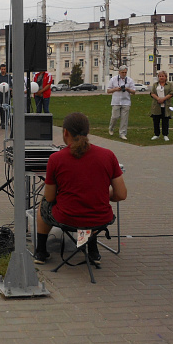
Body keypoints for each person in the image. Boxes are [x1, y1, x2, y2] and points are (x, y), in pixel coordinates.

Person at [34, 112, 127, 264]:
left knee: (43, 204)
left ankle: (41, 252)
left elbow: (50, 197)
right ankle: (92, 250)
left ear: (65, 132)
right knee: (91, 206)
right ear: (88, 131)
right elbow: (121, 194)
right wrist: (101, 193)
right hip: (101, 219)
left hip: (67, 218)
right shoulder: (108, 155)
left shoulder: (55, 159)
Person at [106, 65, 136, 140]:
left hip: (126, 101)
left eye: (125, 72)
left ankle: (122, 133)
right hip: (116, 101)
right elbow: (108, 91)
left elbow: (134, 92)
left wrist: (127, 89)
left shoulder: (129, 80)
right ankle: (111, 128)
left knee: (124, 119)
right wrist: (116, 89)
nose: (124, 74)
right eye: (122, 72)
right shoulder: (113, 79)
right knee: (115, 117)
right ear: (119, 72)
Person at [150, 70, 173, 141]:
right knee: (156, 120)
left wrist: (163, 99)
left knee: (165, 120)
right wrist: (158, 99)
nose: (161, 78)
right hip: (157, 105)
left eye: (162, 76)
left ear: (166, 77)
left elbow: (171, 93)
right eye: (160, 76)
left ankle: (165, 135)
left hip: (166, 104)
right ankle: (156, 134)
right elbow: (152, 93)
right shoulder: (155, 84)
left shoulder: (169, 84)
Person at [0, 64, 11, 129]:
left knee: (5, 109)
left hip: (6, 95)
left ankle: (4, 123)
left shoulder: (8, 76)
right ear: (0, 69)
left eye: (4, 69)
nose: (3, 70)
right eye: (2, 69)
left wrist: (10, 88)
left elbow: (11, 85)